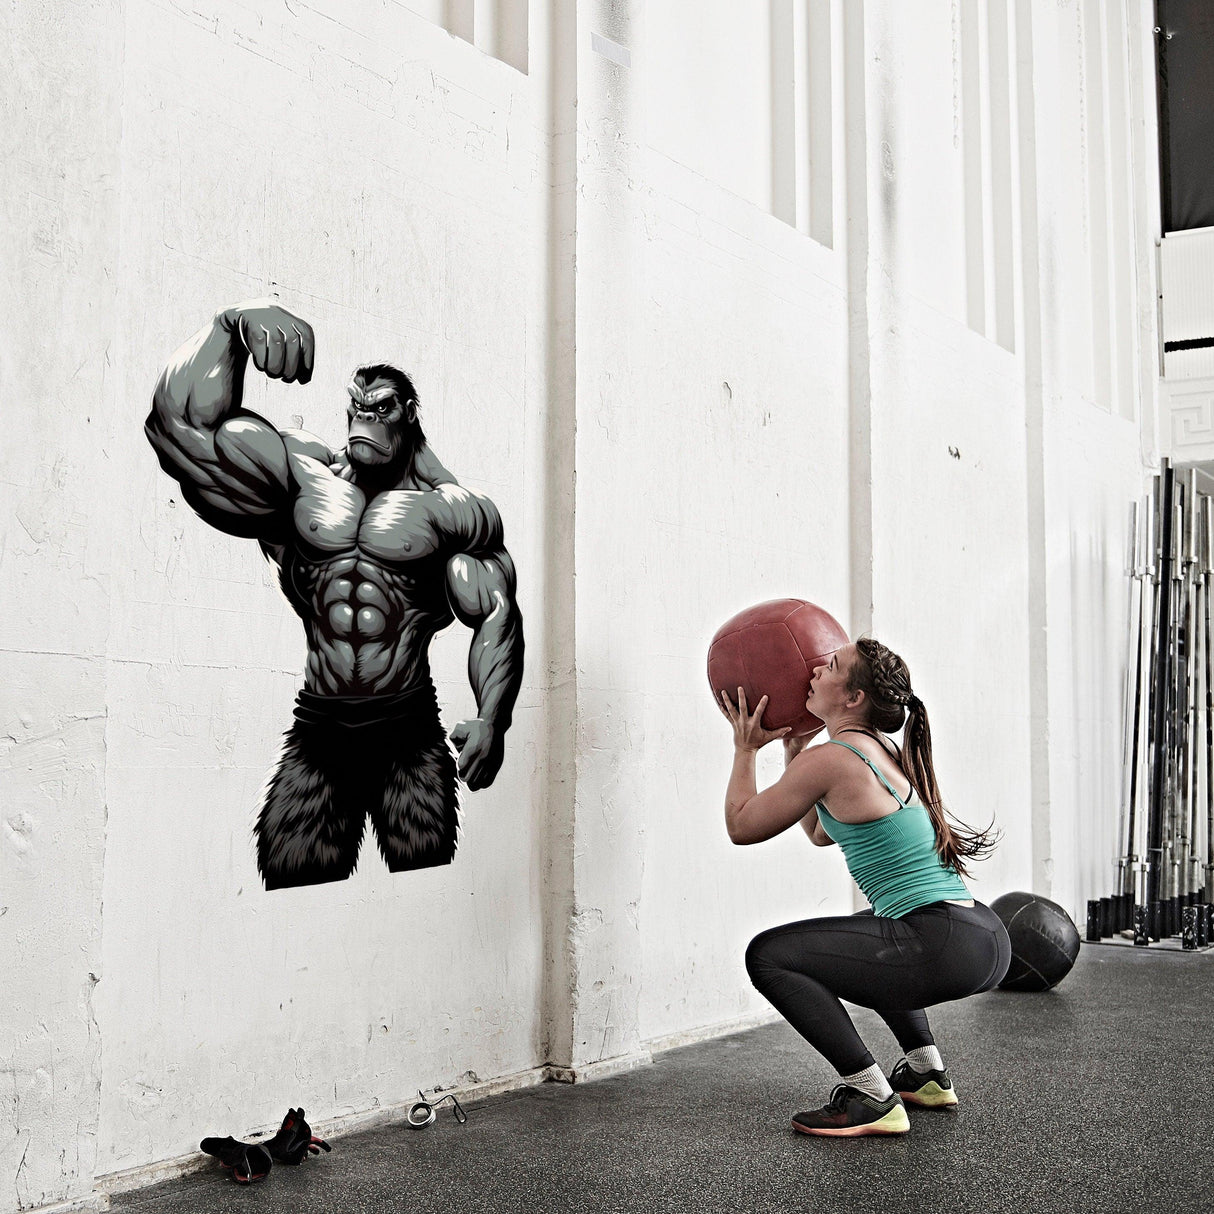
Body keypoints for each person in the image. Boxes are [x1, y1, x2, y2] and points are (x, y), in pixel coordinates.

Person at [146, 300, 524, 889]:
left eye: (382, 410)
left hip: (408, 727)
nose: (364, 419)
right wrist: (230, 327)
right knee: (295, 876)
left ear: (407, 418)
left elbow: (495, 609)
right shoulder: (306, 478)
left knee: (422, 887)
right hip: (320, 724)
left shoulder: (451, 512)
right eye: (357, 406)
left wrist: (492, 720)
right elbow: (181, 431)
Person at [719, 636, 1010, 1137]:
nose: (812, 671)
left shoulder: (834, 757)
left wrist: (746, 749)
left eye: (830, 665)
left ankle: (870, 1095)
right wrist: (794, 753)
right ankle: (925, 1071)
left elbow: (742, 826)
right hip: (981, 933)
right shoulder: (880, 748)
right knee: (866, 937)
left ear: (853, 698)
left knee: (768, 955)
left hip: (940, 941)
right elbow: (817, 832)